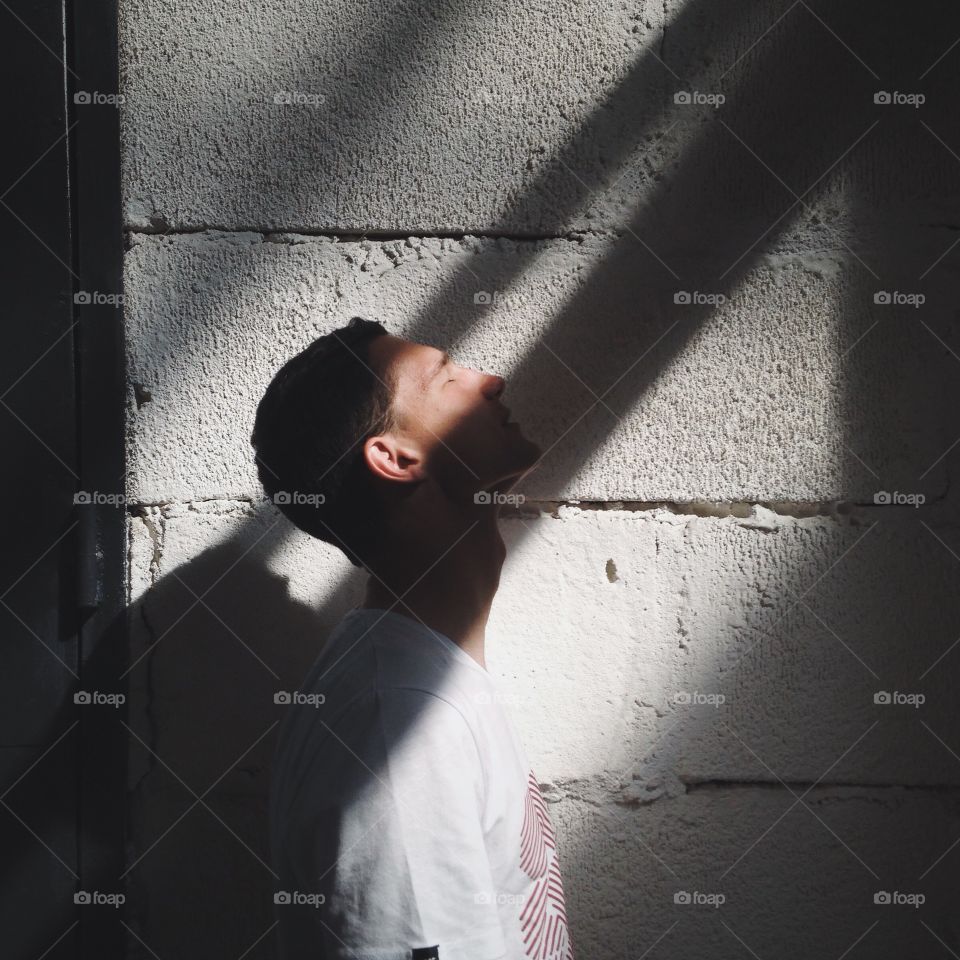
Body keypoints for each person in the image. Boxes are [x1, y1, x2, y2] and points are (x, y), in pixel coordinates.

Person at [251, 316, 575, 959]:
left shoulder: (418, 681)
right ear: (396, 457)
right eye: (450, 376)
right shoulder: (399, 724)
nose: (492, 380)